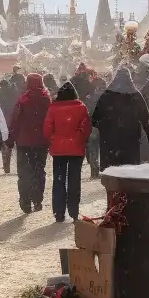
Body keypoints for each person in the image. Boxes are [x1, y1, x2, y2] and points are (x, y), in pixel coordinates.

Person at [92, 66, 149, 168]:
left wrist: (106, 126)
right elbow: (146, 123)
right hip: (130, 142)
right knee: (128, 176)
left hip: (109, 143)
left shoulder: (106, 96)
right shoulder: (136, 96)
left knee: (112, 176)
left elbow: (94, 119)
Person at [43, 81, 92, 223]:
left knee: (59, 180)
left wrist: (54, 139)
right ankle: (73, 211)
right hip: (76, 149)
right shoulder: (81, 107)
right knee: (74, 180)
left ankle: (59, 212)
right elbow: (86, 128)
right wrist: (79, 138)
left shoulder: (53, 108)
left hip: (58, 150)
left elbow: (47, 130)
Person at [6, 73, 53, 213]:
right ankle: (37, 200)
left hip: (24, 142)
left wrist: (11, 139)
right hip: (41, 142)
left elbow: (15, 120)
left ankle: (25, 201)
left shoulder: (23, 100)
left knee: (24, 172)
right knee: (38, 171)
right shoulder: (47, 99)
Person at [0, 77, 19, 174]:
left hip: (1, 120)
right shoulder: (14, 92)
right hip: (11, 120)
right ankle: (7, 166)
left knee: (2, 143)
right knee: (9, 142)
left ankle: (5, 165)